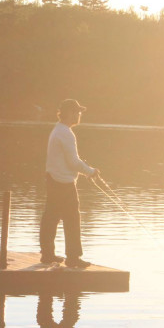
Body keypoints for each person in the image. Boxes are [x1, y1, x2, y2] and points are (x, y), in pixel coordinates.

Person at [40, 99, 98, 268]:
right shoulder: (65, 133)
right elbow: (73, 162)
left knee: (51, 217)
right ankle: (73, 257)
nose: (79, 115)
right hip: (63, 183)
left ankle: (47, 255)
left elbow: (71, 161)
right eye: (77, 112)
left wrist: (86, 169)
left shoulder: (58, 130)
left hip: (53, 179)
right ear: (69, 113)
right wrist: (91, 171)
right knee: (72, 219)